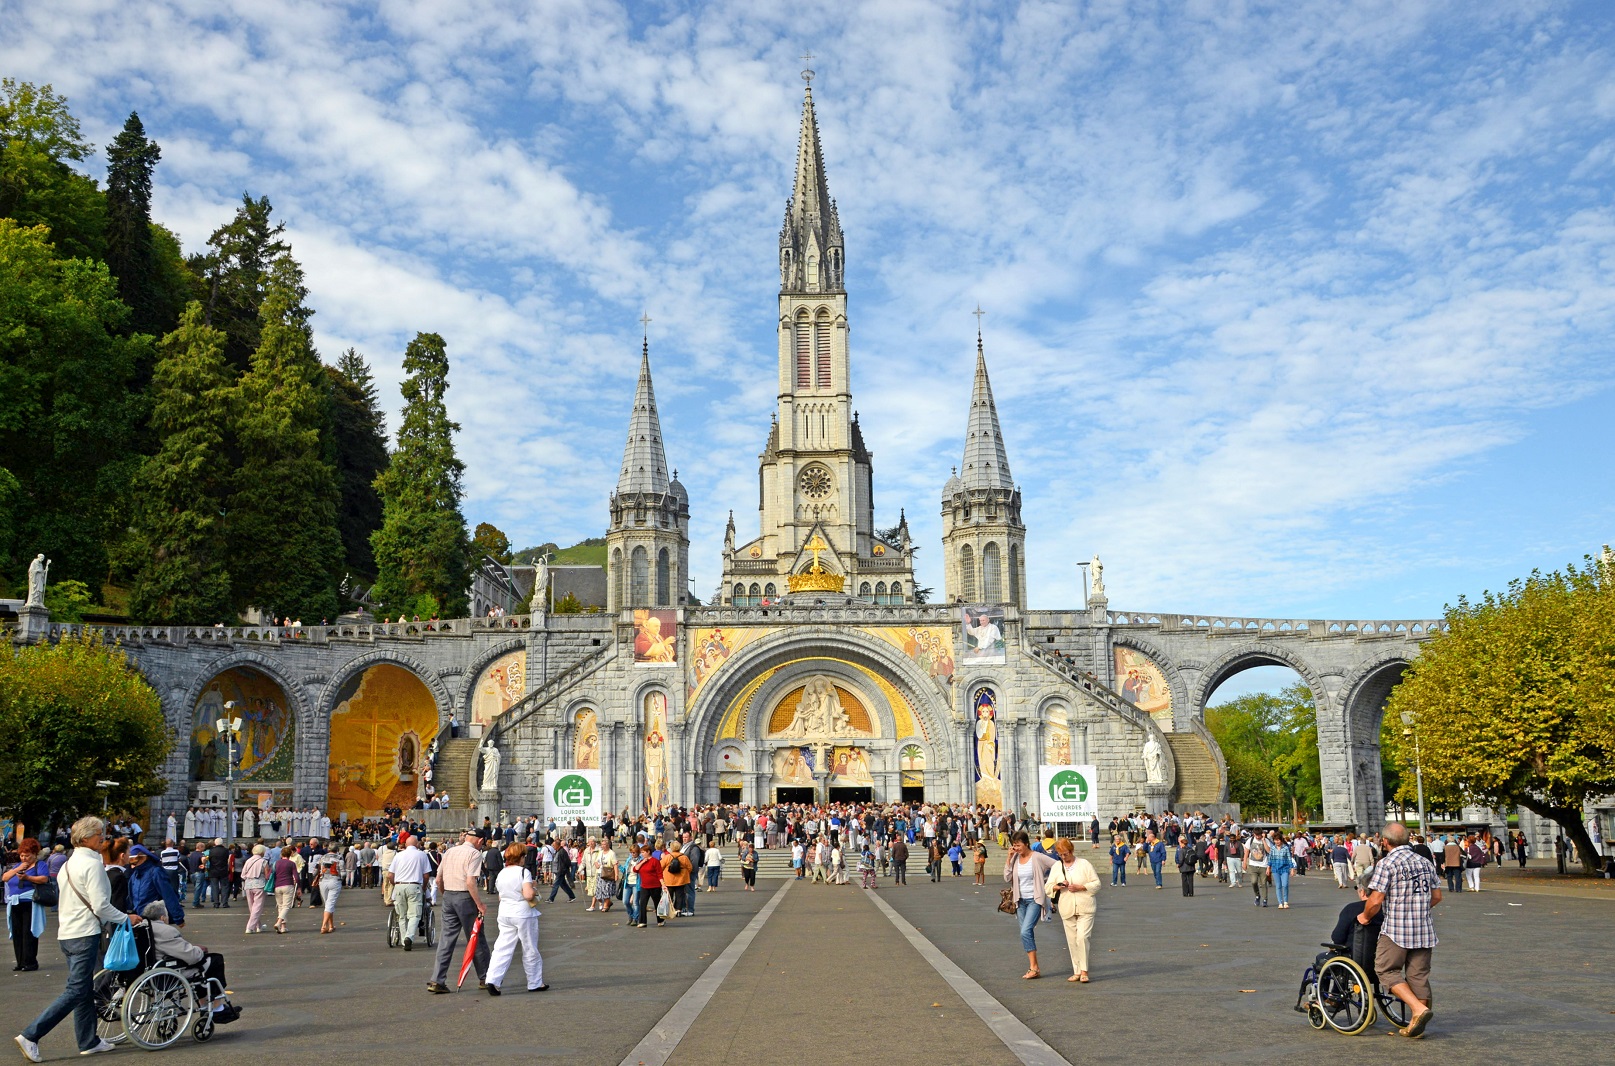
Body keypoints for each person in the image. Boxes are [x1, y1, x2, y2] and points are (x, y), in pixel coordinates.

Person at [14, 816, 146, 1061]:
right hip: (85, 933)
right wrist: (126, 918)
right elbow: (101, 906)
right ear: (86, 838)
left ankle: (89, 1040)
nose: (103, 838)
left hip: (67, 933)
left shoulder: (68, 864)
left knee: (84, 990)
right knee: (77, 990)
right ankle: (31, 1034)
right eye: (99, 834)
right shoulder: (93, 865)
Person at [1360, 822, 1441, 1039]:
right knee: (1419, 976)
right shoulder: (1425, 862)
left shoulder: (1387, 864)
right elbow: (1437, 896)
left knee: (1386, 970)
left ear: (1385, 842)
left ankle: (1418, 1009)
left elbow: (1376, 900)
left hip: (1397, 929)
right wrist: (1419, 908)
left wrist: (1365, 916)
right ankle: (1416, 1024)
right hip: (1424, 929)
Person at [141, 901, 241, 1024]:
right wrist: (199, 950)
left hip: (148, 969)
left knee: (201, 967)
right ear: (162, 917)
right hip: (168, 971)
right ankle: (216, 1007)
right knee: (214, 961)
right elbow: (191, 956)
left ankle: (205, 1005)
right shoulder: (165, 931)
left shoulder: (141, 927)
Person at [428, 828, 489, 994]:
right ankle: (486, 977)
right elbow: (470, 882)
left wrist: (445, 895)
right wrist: (479, 904)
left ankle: (437, 979)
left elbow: (439, 879)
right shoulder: (474, 854)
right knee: (475, 937)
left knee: (446, 939)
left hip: (449, 895)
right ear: (479, 841)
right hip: (465, 897)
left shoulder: (449, 852)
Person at [485, 844, 547, 994]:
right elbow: (528, 895)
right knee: (529, 947)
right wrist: (532, 887)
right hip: (523, 913)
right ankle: (535, 982)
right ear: (520, 857)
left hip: (505, 912)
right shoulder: (523, 872)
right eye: (524, 856)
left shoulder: (502, 873)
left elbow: (501, 896)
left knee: (502, 947)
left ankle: (493, 979)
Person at [1002, 830, 1058, 980]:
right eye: (1014, 845)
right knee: (1026, 932)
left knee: (1025, 931)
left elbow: (1057, 865)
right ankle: (1034, 967)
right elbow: (1007, 877)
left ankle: (1034, 967)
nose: (1016, 848)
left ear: (1026, 843)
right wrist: (1009, 858)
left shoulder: (1038, 857)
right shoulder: (1015, 859)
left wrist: (1050, 882)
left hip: (1035, 899)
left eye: (1018, 845)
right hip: (1020, 900)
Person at [1045, 838, 1102, 982]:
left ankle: (1084, 971)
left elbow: (1097, 884)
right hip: (1066, 907)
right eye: (1060, 854)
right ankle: (1076, 971)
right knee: (1072, 941)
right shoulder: (1057, 866)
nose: (1063, 857)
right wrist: (1058, 886)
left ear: (1071, 851)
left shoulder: (1084, 864)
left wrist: (1081, 887)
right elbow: (1048, 887)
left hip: (1085, 906)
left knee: (1082, 938)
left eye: (1065, 854)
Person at [3, 838, 49, 971]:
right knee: (17, 932)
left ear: (34, 854)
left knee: (28, 932)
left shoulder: (39, 865)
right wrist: (19, 868)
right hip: (15, 902)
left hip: (29, 902)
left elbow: (43, 879)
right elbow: (5, 877)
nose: (24, 858)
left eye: (27, 855)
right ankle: (20, 961)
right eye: (22, 855)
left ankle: (30, 961)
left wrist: (28, 877)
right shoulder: (18, 865)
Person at [125, 845, 185, 928]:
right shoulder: (135, 875)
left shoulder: (155, 872)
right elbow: (131, 897)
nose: (132, 865)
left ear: (142, 858)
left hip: (154, 918)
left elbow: (168, 894)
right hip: (139, 919)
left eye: (133, 861)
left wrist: (178, 917)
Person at [389, 834, 430, 951]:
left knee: (402, 915)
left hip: (399, 885)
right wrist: (424, 887)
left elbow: (390, 875)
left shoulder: (398, 855)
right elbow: (426, 875)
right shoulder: (422, 855)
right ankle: (409, 936)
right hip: (414, 885)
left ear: (405, 844)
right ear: (417, 844)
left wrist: (395, 885)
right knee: (415, 915)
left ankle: (403, 940)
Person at [269, 846, 298, 934]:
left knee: (280, 906)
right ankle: (278, 923)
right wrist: (299, 887)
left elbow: (271, 874)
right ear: (290, 854)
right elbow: (296, 877)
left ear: (281, 854)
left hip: (278, 886)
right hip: (288, 885)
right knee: (286, 906)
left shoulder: (276, 863)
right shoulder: (291, 863)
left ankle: (283, 927)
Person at [635, 845, 666, 927]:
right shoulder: (642, 861)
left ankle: (660, 920)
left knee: (657, 904)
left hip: (655, 886)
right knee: (642, 904)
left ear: (648, 852)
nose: (642, 854)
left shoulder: (655, 861)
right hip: (644, 886)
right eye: (641, 852)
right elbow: (635, 869)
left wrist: (663, 885)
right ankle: (642, 921)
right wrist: (642, 862)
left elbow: (659, 874)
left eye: (643, 852)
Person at [241, 845, 269, 933]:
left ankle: (258, 926)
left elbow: (243, 874)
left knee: (252, 906)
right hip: (259, 884)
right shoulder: (263, 861)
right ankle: (250, 927)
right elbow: (267, 875)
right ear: (262, 852)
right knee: (257, 907)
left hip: (248, 884)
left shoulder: (248, 861)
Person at [317, 851, 343, 933]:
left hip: (323, 881)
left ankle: (331, 925)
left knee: (327, 904)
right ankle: (324, 926)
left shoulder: (322, 857)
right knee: (330, 904)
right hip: (334, 880)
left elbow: (316, 869)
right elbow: (343, 872)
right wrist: (341, 878)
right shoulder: (339, 858)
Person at [1269, 832, 1295, 909]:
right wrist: (1268, 868)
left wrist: (1292, 869)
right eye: (1275, 840)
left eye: (1278, 840)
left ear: (1281, 840)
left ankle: (1286, 902)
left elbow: (1289, 859)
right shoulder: (1273, 848)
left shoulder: (1286, 848)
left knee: (1285, 884)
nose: (1277, 842)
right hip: (1275, 869)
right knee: (1278, 886)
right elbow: (1270, 859)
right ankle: (1280, 902)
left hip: (1284, 869)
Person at [1247, 832, 1271, 907]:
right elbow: (1246, 851)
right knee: (1254, 882)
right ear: (1254, 834)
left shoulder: (1266, 840)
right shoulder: (1250, 840)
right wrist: (1244, 862)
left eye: (1259, 835)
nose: (1257, 837)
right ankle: (1257, 896)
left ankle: (1265, 899)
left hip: (1263, 865)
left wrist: (1263, 840)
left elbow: (1269, 851)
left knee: (1263, 883)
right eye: (1256, 835)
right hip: (1252, 865)